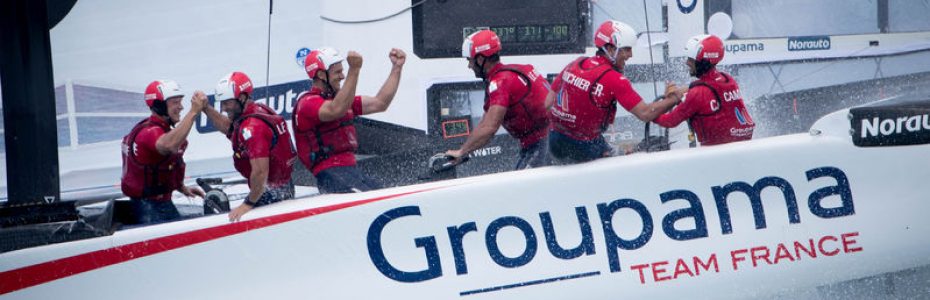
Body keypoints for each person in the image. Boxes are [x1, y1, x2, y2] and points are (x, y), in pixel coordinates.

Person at [546, 20, 682, 164]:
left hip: (555, 140)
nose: (630, 55)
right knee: (631, 154)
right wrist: (674, 98)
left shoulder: (576, 63)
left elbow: (547, 103)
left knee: (609, 146)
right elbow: (646, 114)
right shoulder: (614, 79)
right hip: (583, 147)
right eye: (627, 49)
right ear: (610, 49)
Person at [292, 47, 405, 193]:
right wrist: (354, 69)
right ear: (321, 74)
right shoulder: (307, 103)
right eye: (338, 72)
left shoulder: (340, 101)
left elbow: (380, 103)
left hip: (351, 171)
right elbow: (336, 110)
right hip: (331, 173)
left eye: (343, 71)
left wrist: (397, 68)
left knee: (387, 198)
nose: (343, 76)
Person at [445, 29, 552, 170]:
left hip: (543, 144)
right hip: (550, 141)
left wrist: (461, 152)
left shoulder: (501, 83)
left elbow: (490, 127)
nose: (469, 66)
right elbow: (486, 121)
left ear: (481, 59)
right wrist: (465, 149)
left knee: (521, 190)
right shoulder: (519, 69)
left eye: (470, 60)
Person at [202, 71, 296, 221]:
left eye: (227, 103)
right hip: (283, 186)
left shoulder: (252, 128)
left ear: (242, 97)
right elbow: (230, 129)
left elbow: (260, 173)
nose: (224, 108)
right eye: (222, 103)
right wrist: (206, 108)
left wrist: (248, 204)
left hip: (269, 193)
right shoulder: (257, 109)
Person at [121, 80, 206, 225]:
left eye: (180, 102)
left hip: (161, 204)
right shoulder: (149, 133)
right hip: (149, 209)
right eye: (175, 102)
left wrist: (180, 187)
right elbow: (169, 145)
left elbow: (163, 163)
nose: (181, 107)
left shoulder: (161, 130)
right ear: (159, 106)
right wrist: (193, 112)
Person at [652, 34, 755, 146]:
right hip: (743, 146)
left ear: (703, 62)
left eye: (691, 60)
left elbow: (670, 121)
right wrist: (683, 91)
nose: (687, 63)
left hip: (715, 153)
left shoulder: (698, 93)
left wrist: (650, 114)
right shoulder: (727, 79)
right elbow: (709, 88)